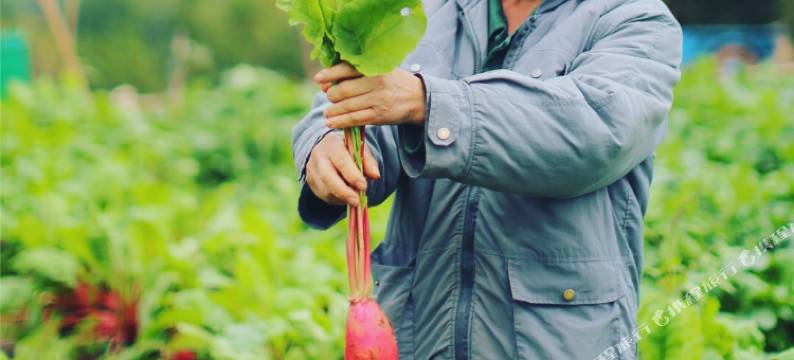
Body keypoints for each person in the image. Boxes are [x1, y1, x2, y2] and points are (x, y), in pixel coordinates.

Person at [291, 0, 682, 358]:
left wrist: (428, 103)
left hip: (557, 341)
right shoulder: (426, 12)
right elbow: (358, 104)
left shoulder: (634, 19)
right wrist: (324, 145)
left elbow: (594, 132)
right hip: (419, 335)